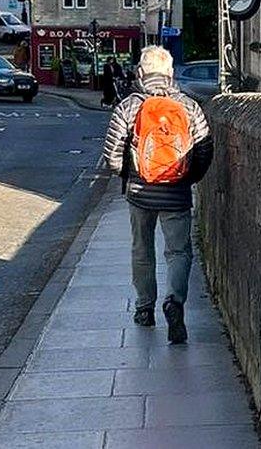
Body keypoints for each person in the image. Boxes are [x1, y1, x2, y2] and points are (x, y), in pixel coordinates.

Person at [102, 46, 213, 344]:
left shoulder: (128, 107)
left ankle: (144, 308)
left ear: (140, 73)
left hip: (139, 194)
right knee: (178, 251)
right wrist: (187, 178)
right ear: (171, 74)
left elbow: (111, 155)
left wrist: (129, 175)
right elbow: (204, 149)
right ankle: (174, 302)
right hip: (176, 193)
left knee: (142, 250)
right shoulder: (189, 106)